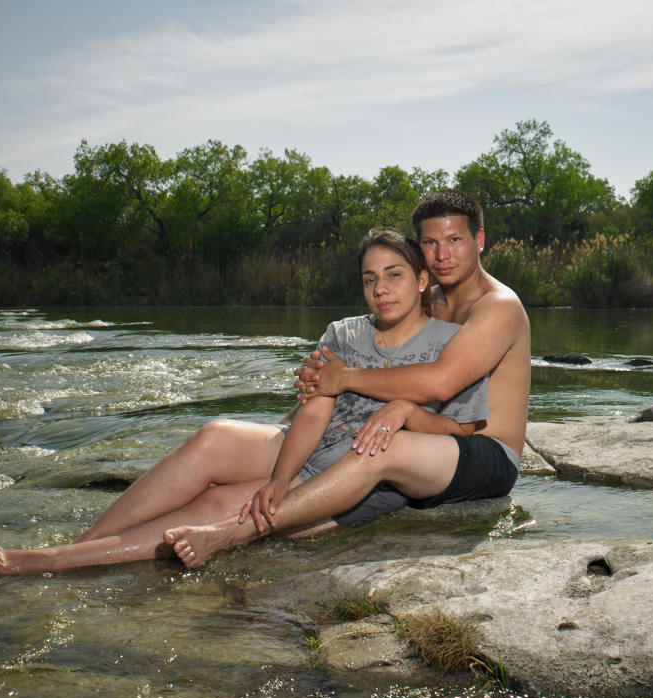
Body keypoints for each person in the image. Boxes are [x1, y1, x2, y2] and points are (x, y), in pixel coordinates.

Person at [0, 228, 488, 575]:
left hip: (354, 466)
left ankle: (53, 564)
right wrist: (280, 478)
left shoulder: (450, 340)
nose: (381, 289)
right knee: (216, 435)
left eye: (394, 274)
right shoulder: (343, 331)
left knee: (216, 506)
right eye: (369, 278)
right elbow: (315, 404)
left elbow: (463, 432)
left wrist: (403, 412)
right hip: (304, 444)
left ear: (423, 280)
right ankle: (80, 544)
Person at [164, 188, 530, 568]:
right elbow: (380, 361)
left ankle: (233, 533)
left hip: (485, 453)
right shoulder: (426, 299)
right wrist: (315, 389)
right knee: (302, 482)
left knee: (381, 447)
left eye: (455, 240)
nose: (442, 254)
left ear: (480, 240)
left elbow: (439, 382)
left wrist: (343, 378)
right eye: (430, 242)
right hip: (424, 443)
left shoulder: (498, 305)